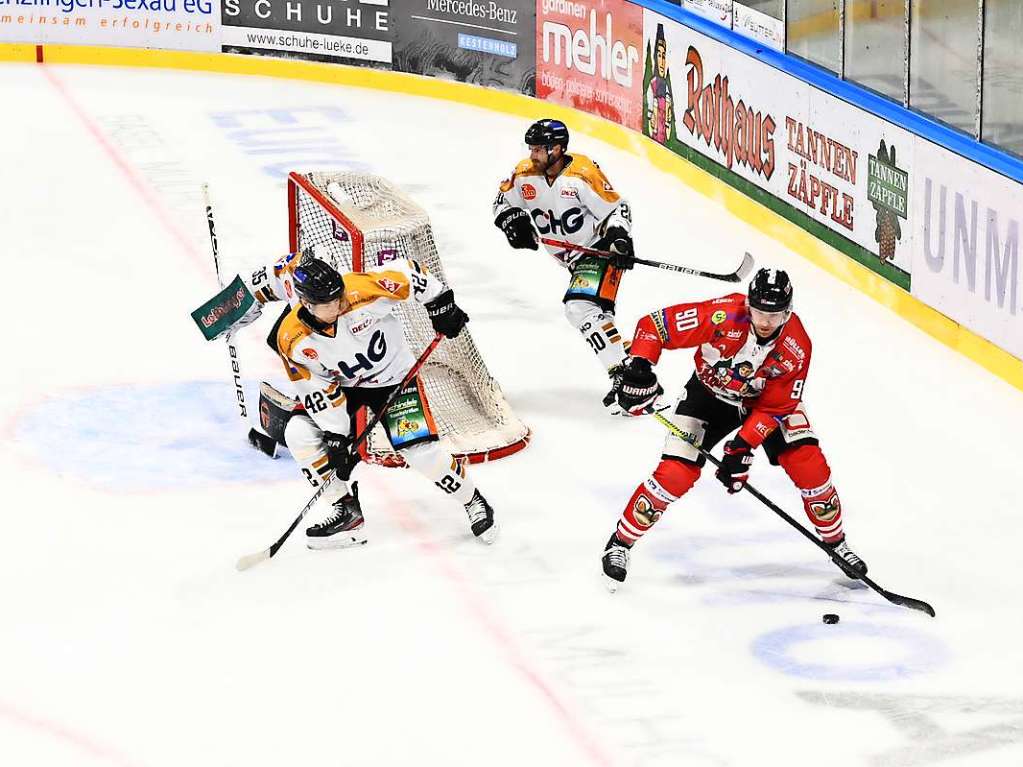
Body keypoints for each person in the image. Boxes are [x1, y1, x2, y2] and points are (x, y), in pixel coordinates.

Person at [600, 268, 867, 591]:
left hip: (763, 404)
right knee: (675, 474)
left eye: (775, 314)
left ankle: (836, 544)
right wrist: (640, 365)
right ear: (748, 305)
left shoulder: (797, 346)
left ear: (788, 311)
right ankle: (620, 542)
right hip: (708, 397)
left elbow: (776, 407)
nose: (766, 321)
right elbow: (654, 326)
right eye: (759, 311)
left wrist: (742, 446)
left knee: (807, 462)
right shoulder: (722, 315)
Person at [249, 252, 498, 548]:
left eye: (340, 295)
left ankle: (473, 500)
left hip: (394, 379)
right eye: (330, 303)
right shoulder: (291, 339)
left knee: (420, 453)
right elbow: (316, 388)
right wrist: (337, 437)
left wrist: (439, 303)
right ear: (307, 305)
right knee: (299, 434)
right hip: (344, 389)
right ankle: (348, 513)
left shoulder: (360, 291)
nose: (342, 304)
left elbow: (408, 273)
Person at [493, 119, 636, 398]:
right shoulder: (524, 174)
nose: (531, 155)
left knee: (578, 308)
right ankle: (628, 361)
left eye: (537, 149)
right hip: (572, 262)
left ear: (556, 149)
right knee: (597, 315)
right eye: (530, 149)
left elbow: (617, 208)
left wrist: (619, 238)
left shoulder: (582, 174)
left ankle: (627, 379)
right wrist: (511, 220)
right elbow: (501, 201)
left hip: (598, 251)